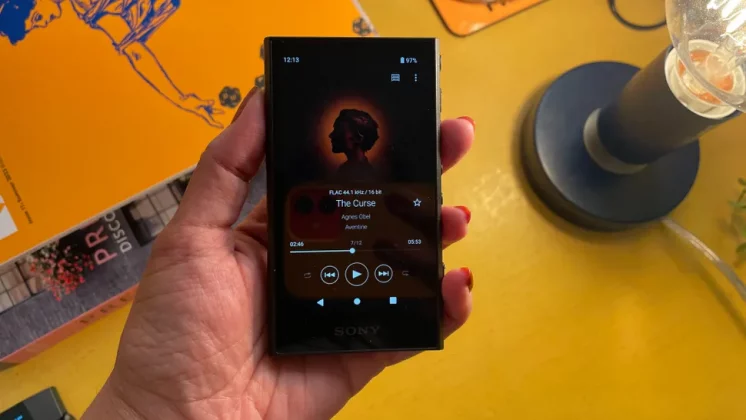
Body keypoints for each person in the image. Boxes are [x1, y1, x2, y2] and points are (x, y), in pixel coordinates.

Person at [82, 87, 475, 419]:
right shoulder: (347, 180)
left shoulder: (352, 179)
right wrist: (152, 406)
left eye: (338, 129)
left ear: (353, 137)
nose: (332, 134)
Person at [0, 0, 224, 127]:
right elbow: (134, 51)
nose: (44, 23)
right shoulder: (89, 10)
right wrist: (182, 100)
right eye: (36, 26)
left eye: (37, 18)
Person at [329, 109, 380, 181]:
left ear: (358, 138)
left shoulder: (363, 176)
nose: (331, 135)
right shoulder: (344, 169)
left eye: (338, 130)